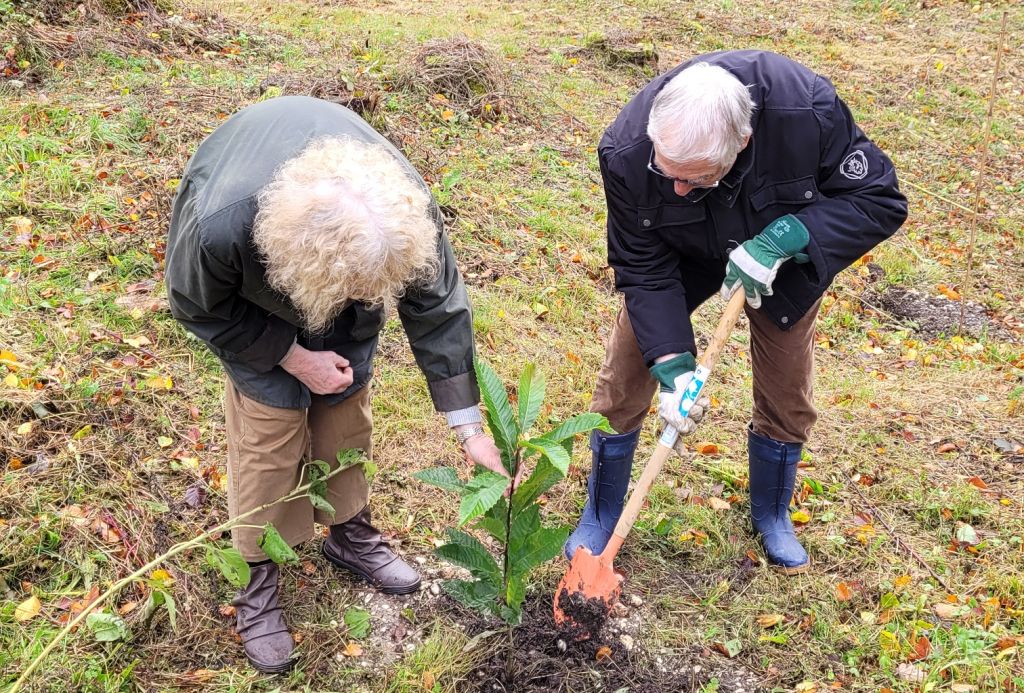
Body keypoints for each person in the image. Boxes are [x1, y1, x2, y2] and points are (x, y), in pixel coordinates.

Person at [165, 95, 504, 672]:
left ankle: (349, 532)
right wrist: (291, 356)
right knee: (270, 429)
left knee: (346, 404)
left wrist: (467, 424)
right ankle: (259, 574)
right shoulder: (219, 226)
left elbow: (438, 307)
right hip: (253, 300)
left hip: (343, 261)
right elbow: (197, 306)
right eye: (350, 287)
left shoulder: (398, 212)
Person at [566, 50, 908, 574]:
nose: (676, 187)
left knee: (787, 383)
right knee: (631, 362)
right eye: (669, 174)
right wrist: (675, 368)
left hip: (783, 255)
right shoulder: (628, 151)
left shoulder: (806, 112)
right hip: (678, 251)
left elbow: (877, 199)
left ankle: (771, 513)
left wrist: (787, 239)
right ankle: (602, 509)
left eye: (694, 179)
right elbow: (643, 267)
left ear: (741, 144)